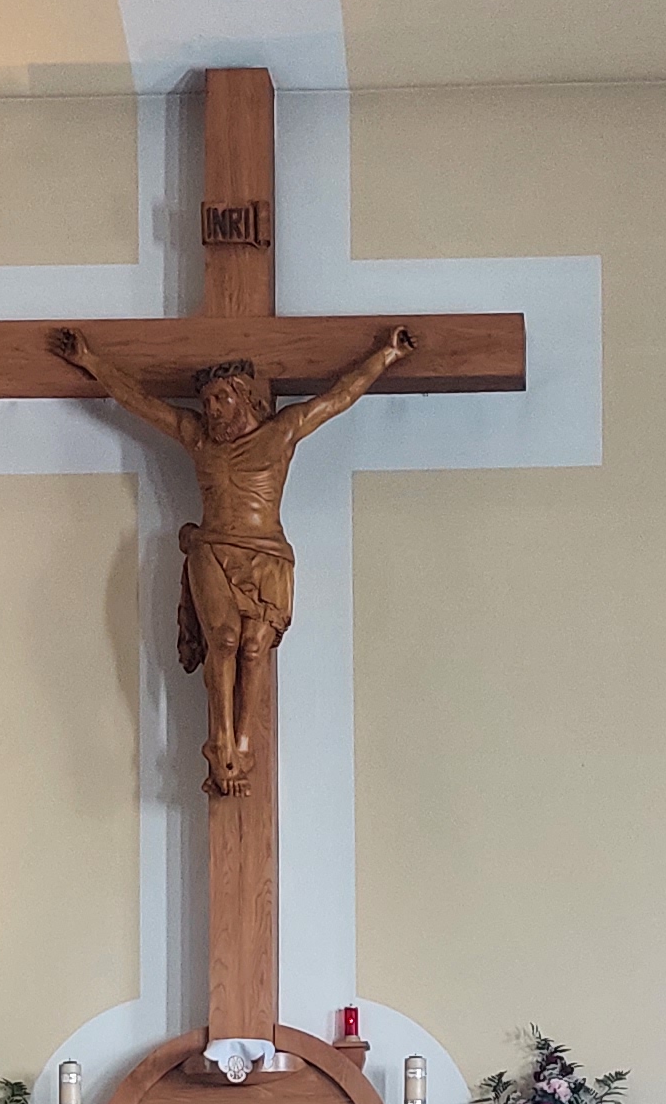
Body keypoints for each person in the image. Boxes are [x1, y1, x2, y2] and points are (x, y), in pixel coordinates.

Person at [48, 322, 420, 796]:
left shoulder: (281, 433)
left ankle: (244, 742)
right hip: (213, 548)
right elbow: (140, 403)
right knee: (223, 638)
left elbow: (337, 398)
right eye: (207, 402)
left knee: (254, 647)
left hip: (267, 555)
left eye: (221, 399)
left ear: (245, 397)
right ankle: (220, 740)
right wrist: (91, 361)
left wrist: (386, 355)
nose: (212, 410)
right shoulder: (197, 438)